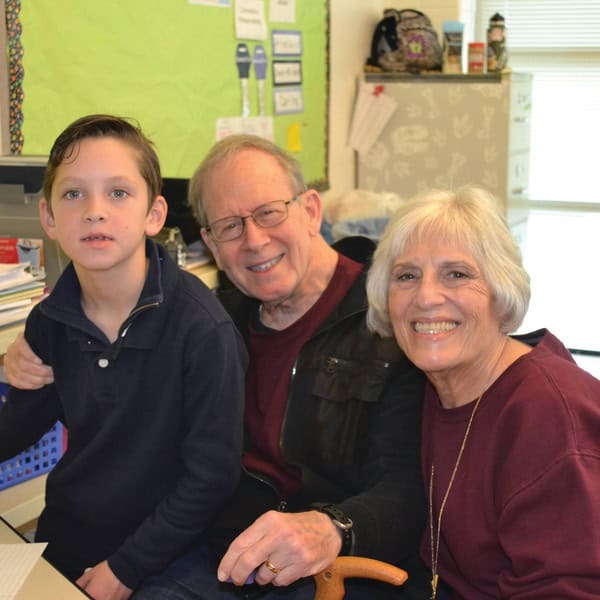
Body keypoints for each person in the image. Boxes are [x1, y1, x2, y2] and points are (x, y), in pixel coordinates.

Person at [5, 134, 429, 599]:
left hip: (332, 568)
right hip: (222, 554)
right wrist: (22, 355)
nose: (254, 241)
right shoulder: (219, 317)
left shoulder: (389, 322)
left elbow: (409, 489)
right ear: (209, 243)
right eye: (229, 226)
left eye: (269, 213)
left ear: (310, 210)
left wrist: (334, 526)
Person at [0, 115, 247, 600]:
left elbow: (211, 478)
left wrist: (126, 569)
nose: (95, 211)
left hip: (172, 553)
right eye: (73, 194)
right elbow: (17, 429)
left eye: (117, 193)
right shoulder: (50, 320)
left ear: (154, 214)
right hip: (69, 534)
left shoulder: (202, 328)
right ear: (48, 218)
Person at [366, 185, 600, 599]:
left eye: (456, 274)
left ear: (500, 289)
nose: (426, 297)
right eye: (407, 276)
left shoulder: (547, 415)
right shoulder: (429, 389)